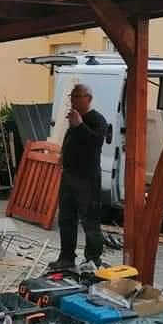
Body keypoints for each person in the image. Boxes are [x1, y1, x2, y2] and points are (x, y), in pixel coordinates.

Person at [49, 83, 108, 271]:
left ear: (88, 98)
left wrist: (80, 125)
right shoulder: (75, 118)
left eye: (77, 96)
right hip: (69, 177)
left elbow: (96, 141)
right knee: (66, 219)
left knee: (90, 220)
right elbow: (72, 142)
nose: (73, 100)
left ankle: (93, 260)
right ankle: (66, 258)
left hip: (87, 179)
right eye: (72, 96)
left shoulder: (97, 119)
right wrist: (62, 156)